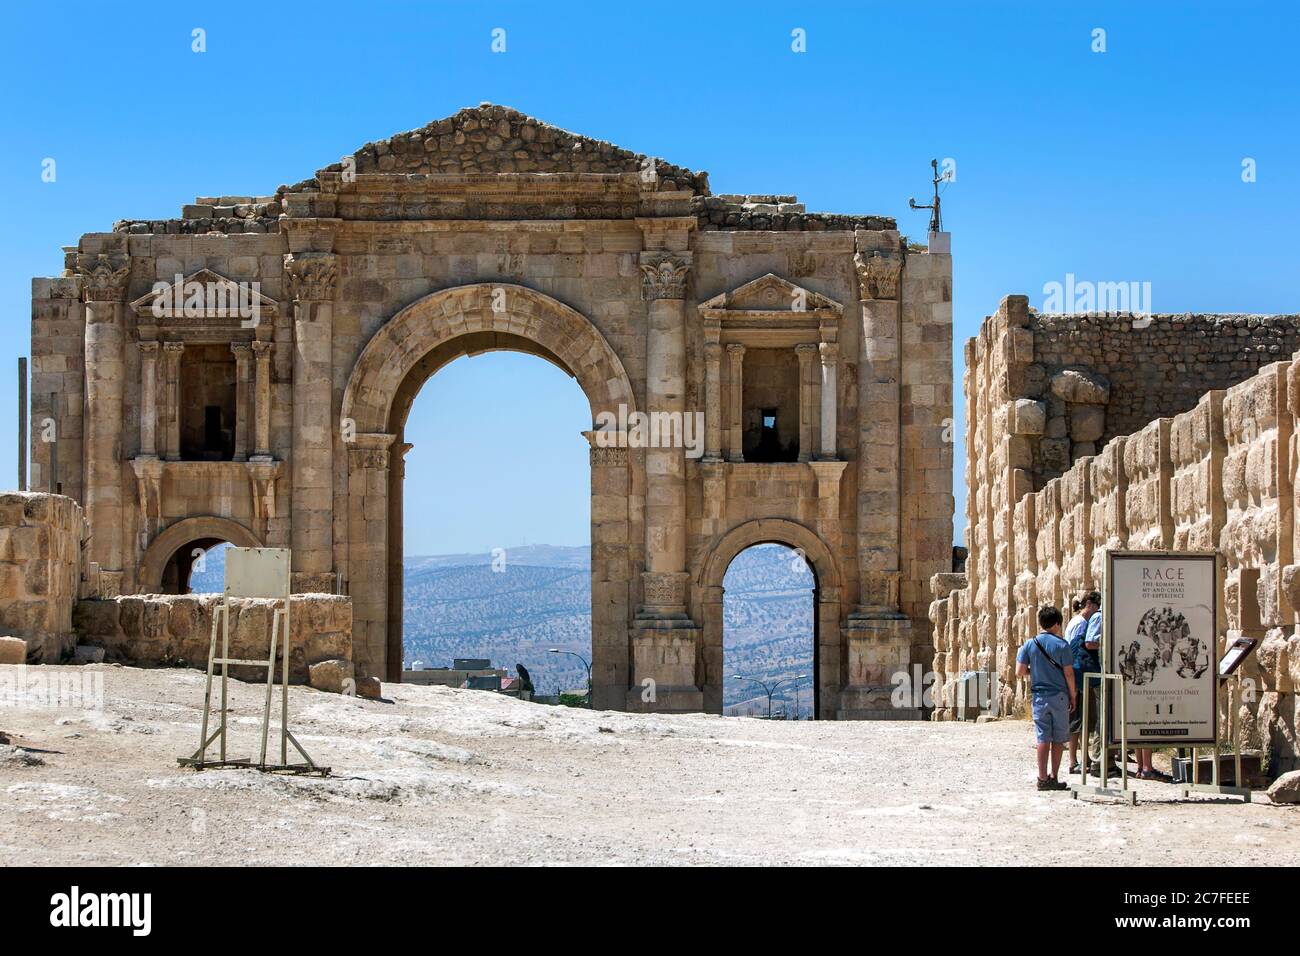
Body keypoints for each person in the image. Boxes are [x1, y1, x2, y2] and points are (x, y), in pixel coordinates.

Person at [1016, 605, 1077, 791]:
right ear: (1057, 624)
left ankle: (1041, 778)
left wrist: (1035, 672)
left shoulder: (1030, 644)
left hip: (1039, 696)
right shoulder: (1062, 645)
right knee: (1058, 739)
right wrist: (1073, 695)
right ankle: (1054, 776)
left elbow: (1019, 671)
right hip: (1058, 696)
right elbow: (1068, 674)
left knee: (1043, 738)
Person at [1067, 591, 1101, 773]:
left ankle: (1081, 759)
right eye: (1097, 605)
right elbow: (1078, 650)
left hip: (1075, 674)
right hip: (1078, 674)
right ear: (1090, 604)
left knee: (1079, 719)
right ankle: (1075, 760)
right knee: (1079, 719)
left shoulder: (1076, 621)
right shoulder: (1081, 624)